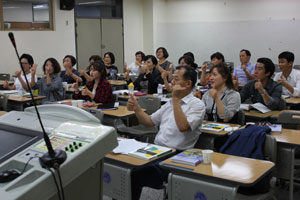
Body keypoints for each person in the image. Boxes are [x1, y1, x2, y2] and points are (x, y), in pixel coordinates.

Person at [127, 65, 205, 200]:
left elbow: (183, 126)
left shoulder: (197, 105)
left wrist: (175, 100)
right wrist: (137, 109)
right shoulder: (170, 102)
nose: (172, 82)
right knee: (125, 167)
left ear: (187, 84)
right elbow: (149, 122)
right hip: (157, 150)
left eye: (175, 79)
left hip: (177, 155)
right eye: (172, 78)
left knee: (135, 174)